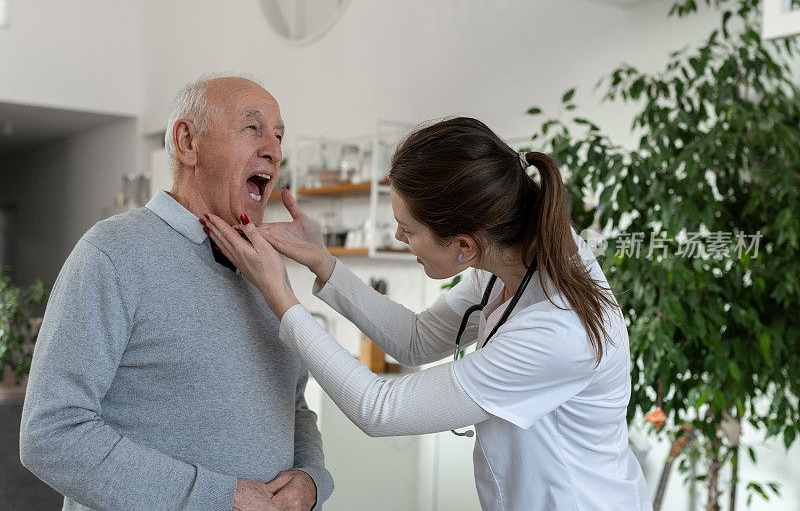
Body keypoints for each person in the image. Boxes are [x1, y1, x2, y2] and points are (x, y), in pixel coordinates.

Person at [203, 117, 652, 510]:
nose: (398, 236)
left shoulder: (559, 330)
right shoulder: (509, 253)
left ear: (463, 246)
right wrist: (323, 262)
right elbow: (417, 340)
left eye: (409, 229)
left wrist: (280, 295)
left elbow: (380, 409)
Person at [19, 74, 333, 511]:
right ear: (187, 142)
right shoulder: (112, 253)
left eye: (279, 136)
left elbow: (294, 406)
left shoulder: (267, 270)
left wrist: (311, 478)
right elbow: (50, 435)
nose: (274, 150)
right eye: (252, 128)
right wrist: (219, 498)